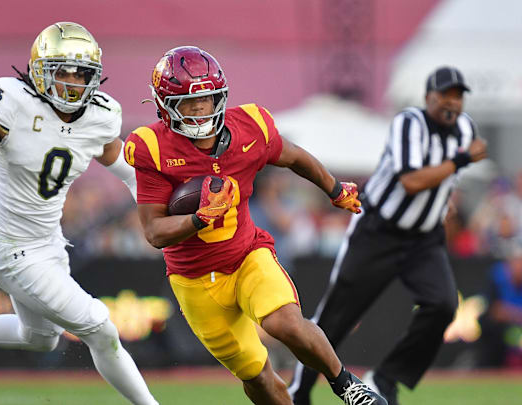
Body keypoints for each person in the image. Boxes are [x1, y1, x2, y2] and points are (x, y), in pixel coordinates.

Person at [0, 22, 158, 405]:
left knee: (40, 339)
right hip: (9, 247)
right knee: (102, 329)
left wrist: (160, 206)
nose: (72, 82)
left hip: (49, 242)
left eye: (81, 74)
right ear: (39, 72)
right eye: (62, 72)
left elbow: (129, 174)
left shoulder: (99, 116)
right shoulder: (14, 103)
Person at [124, 46, 386, 405]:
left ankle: (347, 386)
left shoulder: (249, 126)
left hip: (247, 254)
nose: (200, 111)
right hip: (195, 281)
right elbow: (153, 232)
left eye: (207, 101)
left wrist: (335, 188)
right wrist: (199, 218)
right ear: (165, 105)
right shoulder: (151, 147)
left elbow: (295, 157)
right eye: (189, 104)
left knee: (286, 324)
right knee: (258, 377)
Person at [289, 66, 488, 405]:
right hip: (379, 231)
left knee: (441, 306)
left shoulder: (464, 129)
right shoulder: (409, 124)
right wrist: (461, 160)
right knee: (337, 318)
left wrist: (443, 201)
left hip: (424, 238)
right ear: (429, 98)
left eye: (458, 95)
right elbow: (411, 181)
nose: (451, 102)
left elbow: (441, 180)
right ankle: (300, 391)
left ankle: (386, 377)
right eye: (445, 95)